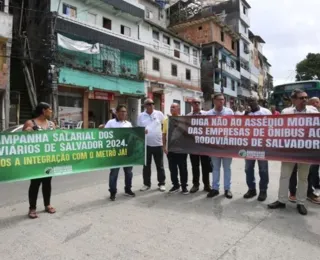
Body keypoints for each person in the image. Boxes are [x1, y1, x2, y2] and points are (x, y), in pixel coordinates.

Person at [268, 89, 319, 215]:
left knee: (303, 178)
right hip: (289, 150)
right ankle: (281, 200)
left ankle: (301, 203)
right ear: (294, 100)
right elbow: (281, 129)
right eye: (301, 98)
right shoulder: (286, 112)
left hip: (306, 151)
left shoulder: (314, 111)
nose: (305, 100)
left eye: (306, 97)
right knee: (285, 176)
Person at [23, 102, 56, 219]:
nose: (51, 111)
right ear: (43, 111)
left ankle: (47, 204)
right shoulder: (30, 123)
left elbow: (57, 139)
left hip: (49, 159)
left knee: (47, 183)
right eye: (50, 109)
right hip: (36, 160)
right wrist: (26, 133)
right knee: (35, 184)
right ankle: (32, 208)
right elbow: (20, 141)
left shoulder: (52, 124)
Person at [205, 93, 234, 199]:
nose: (221, 101)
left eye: (223, 100)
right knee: (215, 168)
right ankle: (215, 189)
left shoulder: (229, 112)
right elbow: (204, 129)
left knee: (227, 168)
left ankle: (227, 189)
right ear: (214, 101)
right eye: (219, 100)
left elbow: (235, 126)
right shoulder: (208, 113)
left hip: (227, 145)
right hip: (214, 146)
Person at [243, 96, 271, 202]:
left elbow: (273, 127)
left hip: (262, 146)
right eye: (248, 101)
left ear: (257, 101)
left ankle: (263, 190)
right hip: (249, 146)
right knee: (248, 169)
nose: (251, 103)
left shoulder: (266, 112)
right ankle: (251, 189)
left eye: (252, 101)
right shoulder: (246, 114)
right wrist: (245, 116)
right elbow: (240, 128)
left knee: (263, 170)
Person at [104, 104, 135, 201]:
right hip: (115, 153)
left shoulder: (128, 124)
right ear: (117, 113)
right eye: (121, 111)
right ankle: (113, 192)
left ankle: (128, 189)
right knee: (114, 173)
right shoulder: (111, 123)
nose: (123, 113)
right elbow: (104, 135)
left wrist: (143, 133)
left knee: (129, 172)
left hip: (126, 153)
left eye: (125, 112)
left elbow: (133, 136)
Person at [137, 99, 166, 192]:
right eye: (149, 104)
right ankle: (146, 184)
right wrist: (142, 132)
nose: (151, 105)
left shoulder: (159, 114)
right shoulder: (141, 116)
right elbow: (138, 129)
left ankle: (161, 183)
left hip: (158, 144)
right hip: (146, 145)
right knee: (146, 166)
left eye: (152, 104)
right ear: (145, 106)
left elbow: (165, 124)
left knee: (160, 165)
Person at [163, 103, 189, 194]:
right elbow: (164, 134)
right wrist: (164, 147)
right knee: (172, 168)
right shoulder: (166, 120)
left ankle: (184, 186)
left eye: (173, 107)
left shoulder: (184, 120)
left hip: (181, 150)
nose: (171, 108)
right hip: (170, 149)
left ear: (178, 109)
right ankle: (175, 185)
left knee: (183, 168)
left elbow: (187, 134)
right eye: (170, 107)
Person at [187, 98, 211, 193]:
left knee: (205, 166)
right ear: (191, 104)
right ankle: (195, 184)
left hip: (204, 144)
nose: (196, 104)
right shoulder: (188, 116)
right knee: (195, 166)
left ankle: (207, 185)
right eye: (194, 103)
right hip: (193, 145)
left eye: (198, 103)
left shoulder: (206, 114)